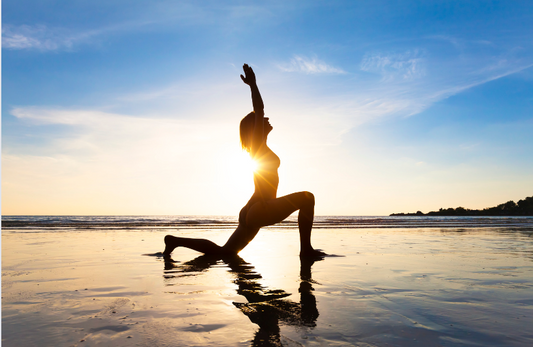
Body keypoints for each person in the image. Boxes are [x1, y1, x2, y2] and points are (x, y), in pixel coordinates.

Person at [163, 64, 325, 257]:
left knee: (225, 253)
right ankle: (306, 250)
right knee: (308, 198)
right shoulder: (257, 146)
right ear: (254, 128)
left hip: (253, 207)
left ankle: (174, 241)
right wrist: (253, 85)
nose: (265, 120)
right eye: (260, 120)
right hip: (262, 207)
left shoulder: (260, 148)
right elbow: (259, 108)